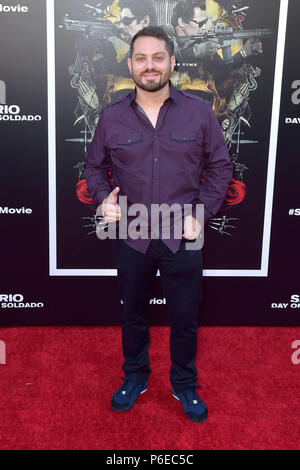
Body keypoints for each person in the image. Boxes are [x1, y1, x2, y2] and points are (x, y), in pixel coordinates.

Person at [84, 26, 232, 423]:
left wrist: (199, 215)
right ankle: (135, 376)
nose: (150, 66)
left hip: (184, 236)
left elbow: (220, 168)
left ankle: (184, 384)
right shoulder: (111, 116)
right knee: (132, 313)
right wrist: (103, 200)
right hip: (130, 234)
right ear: (130, 64)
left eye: (158, 58)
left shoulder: (199, 112)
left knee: (185, 317)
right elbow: (93, 169)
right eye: (142, 58)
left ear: (171, 62)